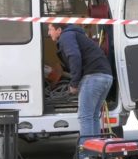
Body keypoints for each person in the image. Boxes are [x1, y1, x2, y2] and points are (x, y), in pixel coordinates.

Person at [47, 23, 113, 152]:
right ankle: (96, 152)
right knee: (92, 116)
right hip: (106, 77)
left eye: (50, 29)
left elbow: (74, 56)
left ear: (59, 30)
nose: (48, 33)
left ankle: (87, 155)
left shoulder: (66, 36)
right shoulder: (76, 35)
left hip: (93, 77)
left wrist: (74, 84)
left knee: (85, 117)